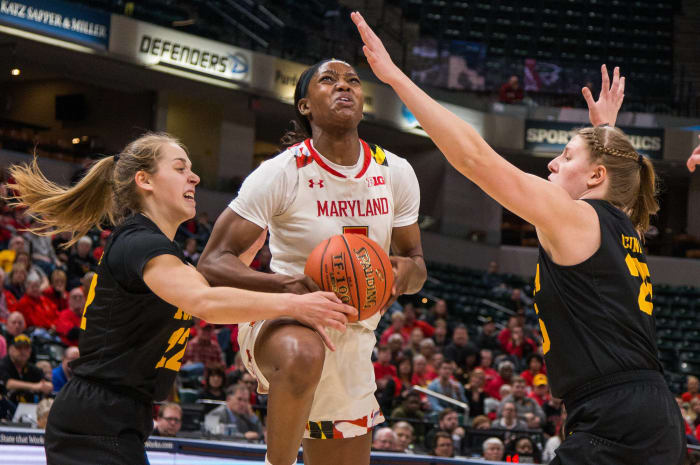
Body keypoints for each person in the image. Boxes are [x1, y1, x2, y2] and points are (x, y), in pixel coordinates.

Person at [352, 12, 685, 463]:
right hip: (646, 413)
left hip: (615, 417)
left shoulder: (577, 218)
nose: (551, 165)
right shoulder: (622, 224)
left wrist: (394, 77)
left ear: (595, 176)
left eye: (564, 157)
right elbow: (620, 184)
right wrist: (604, 130)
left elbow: (472, 158)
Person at [8, 132, 354, 464]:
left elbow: (211, 292)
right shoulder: (139, 244)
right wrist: (297, 304)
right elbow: (206, 303)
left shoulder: (160, 253)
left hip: (112, 417)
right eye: (180, 168)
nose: (195, 177)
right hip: (96, 420)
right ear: (145, 181)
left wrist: (248, 262)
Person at [197, 58, 426, 465]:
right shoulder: (282, 173)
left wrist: (402, 276)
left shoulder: (396, 172)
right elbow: (212, 262)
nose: (345, 87)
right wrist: (286, 287)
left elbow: (416, 264)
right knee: (303, 353)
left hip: (353, 337)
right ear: (304, 105)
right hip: (283, 317)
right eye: (329, 80)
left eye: (353, 81)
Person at [0, 334, 52, 404]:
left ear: (30, 351)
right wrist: (35, 386)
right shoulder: (3, 364)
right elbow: (9, 384)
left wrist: (47, 386)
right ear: (10, 349)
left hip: (28, 408)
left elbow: (48, 384)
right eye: (19, 348)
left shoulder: (31, 368)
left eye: (26, 348)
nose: (23, 351)